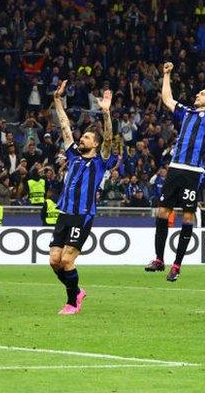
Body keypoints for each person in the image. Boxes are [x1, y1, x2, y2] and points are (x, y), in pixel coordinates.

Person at [145, 61, 205, 282]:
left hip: (192, 170)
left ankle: (177, 265)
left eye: (202, 94)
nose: (197, 95)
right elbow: (167, 99)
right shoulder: (186, 112)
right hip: (175, 168)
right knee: (162, 212)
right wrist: (166, 75)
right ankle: (159, 259)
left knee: (188, 215)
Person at [50, 80, 116, 314]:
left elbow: (109, 139)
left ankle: (71, 303)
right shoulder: (74, 156)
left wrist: (106, 114)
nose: (82, 139)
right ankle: (77, 290)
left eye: (87, 138)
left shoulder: (100, 161)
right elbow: (65, 127)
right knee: (54, 261)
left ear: (96, 144)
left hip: (82, 215)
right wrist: (58, 99)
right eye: (83, 137)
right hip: (64, 214)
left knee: (67, 260)